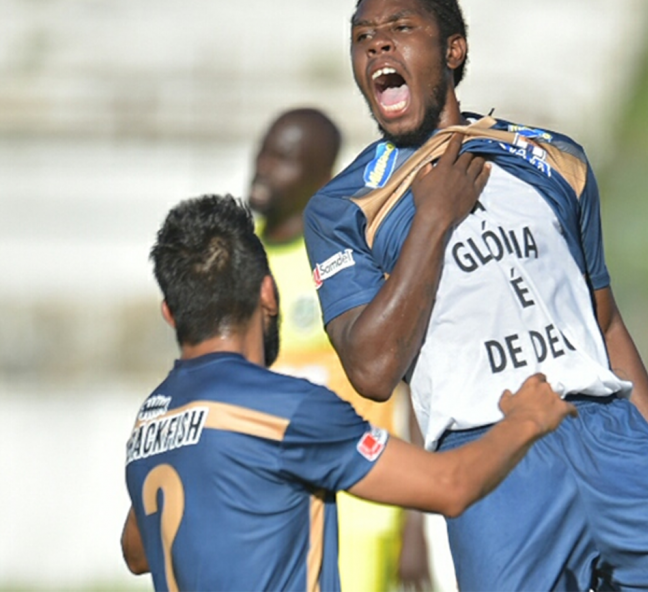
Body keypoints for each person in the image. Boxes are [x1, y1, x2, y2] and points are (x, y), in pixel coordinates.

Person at [302, 0, 648, 591]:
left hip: (614, 439)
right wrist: (434, 219)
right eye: (363, 36)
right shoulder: (345, 205)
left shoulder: (553, 158)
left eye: (400, 29)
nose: (378, 46)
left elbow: (604, 325)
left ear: (453, 50)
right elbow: (372, 369)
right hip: (496, 459)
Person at [120, 193, 575, 592]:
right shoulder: (287, 411)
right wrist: (528, 417)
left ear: (169, 312)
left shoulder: (151, 422)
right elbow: (450, 485)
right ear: (268, 294)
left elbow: (137, 553)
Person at [247, 107, 430, 592]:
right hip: (267, 505)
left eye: (283, 158)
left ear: (322, 178)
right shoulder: (241, 266)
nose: (263, 166)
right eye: (264, 150)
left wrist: (415, 524)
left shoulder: (348, 264)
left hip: (358, 506)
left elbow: (408, 391)